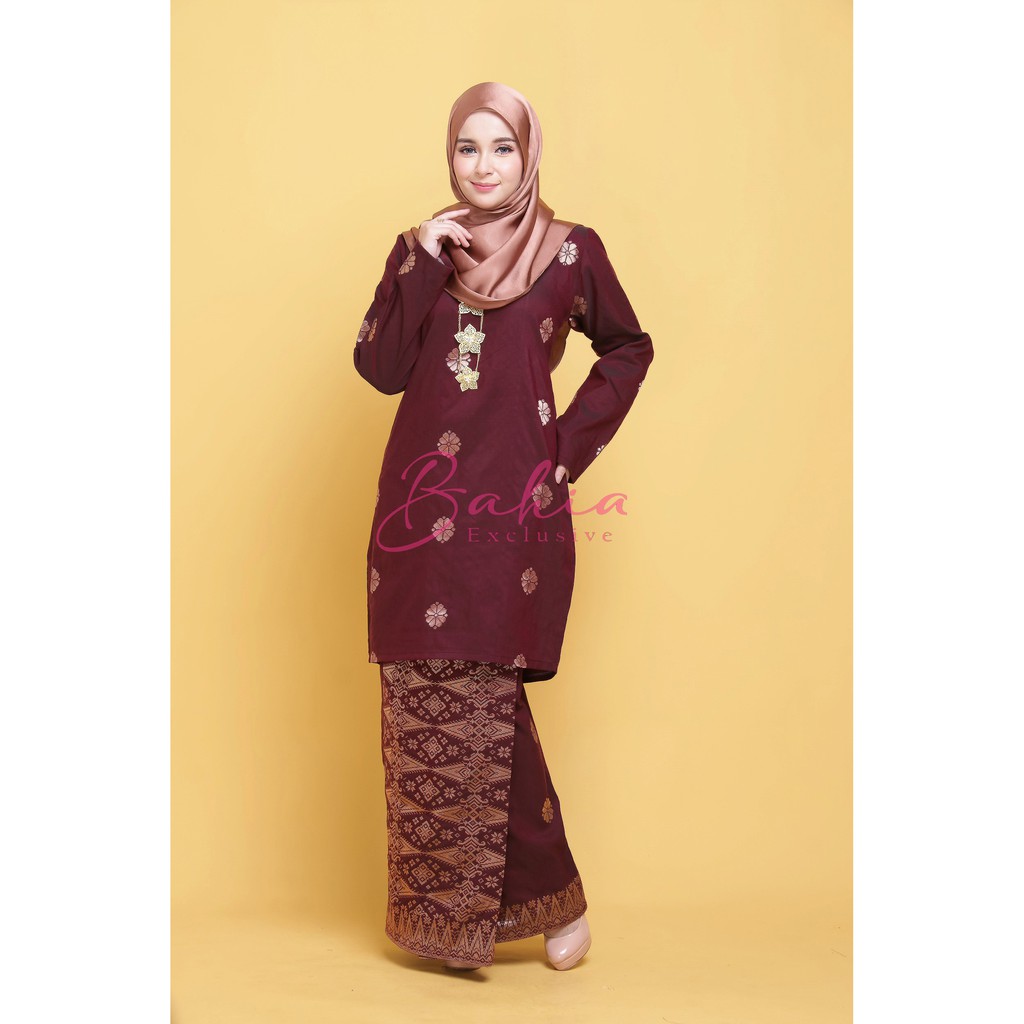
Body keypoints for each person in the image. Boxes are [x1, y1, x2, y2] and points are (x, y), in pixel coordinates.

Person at [353, 81, 654, 971]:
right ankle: (455, 926)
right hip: (417, 511)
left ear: (529, 155)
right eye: (466, 148)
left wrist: (567, 446)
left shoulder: (570, 251)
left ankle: (548, 908)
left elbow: (628, 347)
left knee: (485, 693)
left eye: (502, 148)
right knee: (423, 694)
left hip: (510, 505)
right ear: (450, 156)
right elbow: (378, 367)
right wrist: (416, 261)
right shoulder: (424, 249)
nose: (482, 166)